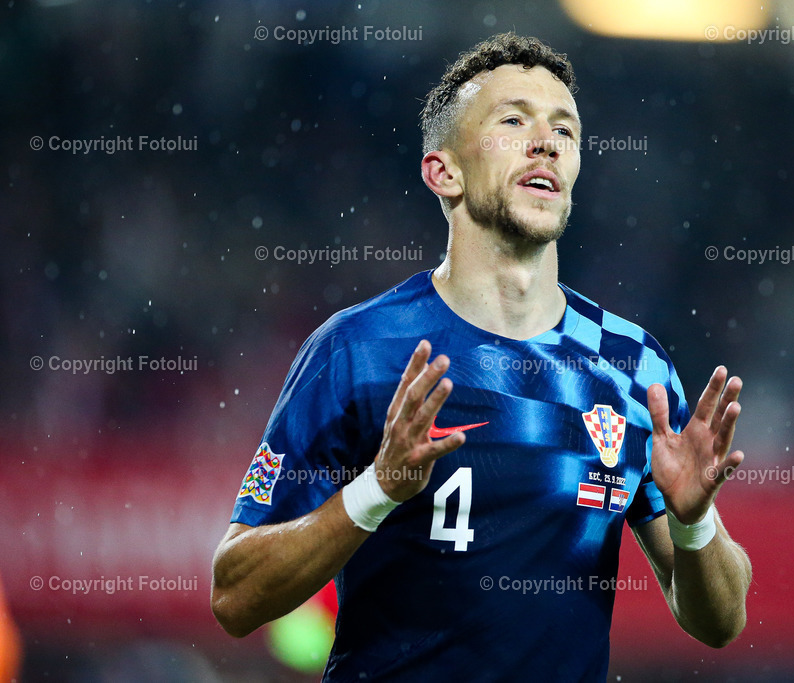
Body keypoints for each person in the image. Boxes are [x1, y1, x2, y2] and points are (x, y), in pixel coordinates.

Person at [211, 32, 751, 681]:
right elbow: (235, 596)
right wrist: (377, 488)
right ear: (445, 171)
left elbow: (720, 622)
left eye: (565, 129)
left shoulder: (633, 368)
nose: (546, 141)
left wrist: (693, 522)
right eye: (513, 119)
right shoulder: (360, 352)